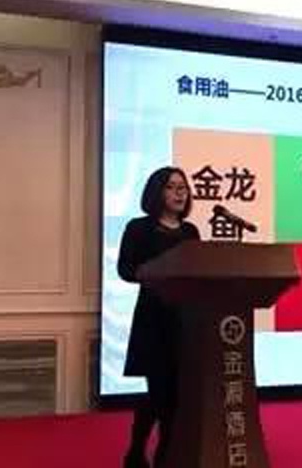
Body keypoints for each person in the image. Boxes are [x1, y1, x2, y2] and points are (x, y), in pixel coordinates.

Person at [118, 166, 200, 468]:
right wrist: (156, 272)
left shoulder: (190, 232)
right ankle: (141, 451)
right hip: (154, 320)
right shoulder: (139, 228)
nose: (180, 193)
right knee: (160, 393)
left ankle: (159, 455)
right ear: (157, 192)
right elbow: (126, 269)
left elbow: (198, 270)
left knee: (175, 396)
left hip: (185, 321)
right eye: (172, 187)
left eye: (183, 187)